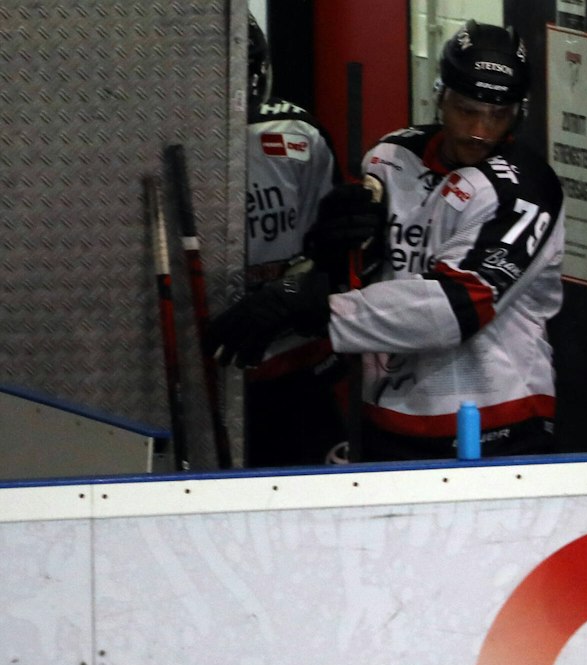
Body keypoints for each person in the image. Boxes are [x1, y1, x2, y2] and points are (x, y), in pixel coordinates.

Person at [211, 21, 566, 461]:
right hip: (388, 417)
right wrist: (333, 250)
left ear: (519, 113)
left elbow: (458, 306)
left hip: (497, 423)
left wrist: (316, 308)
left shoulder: (525, 188)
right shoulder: (391, 157)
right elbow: (371, 274)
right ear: (439, 95)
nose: (480, 130)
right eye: (466, 109)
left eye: (498, 115)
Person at [239, 13, 348, 466]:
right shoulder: (156, 140)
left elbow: (336, 256)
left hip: (296, 364)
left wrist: (290, 292)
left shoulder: (297, 138)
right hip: (208, 367)